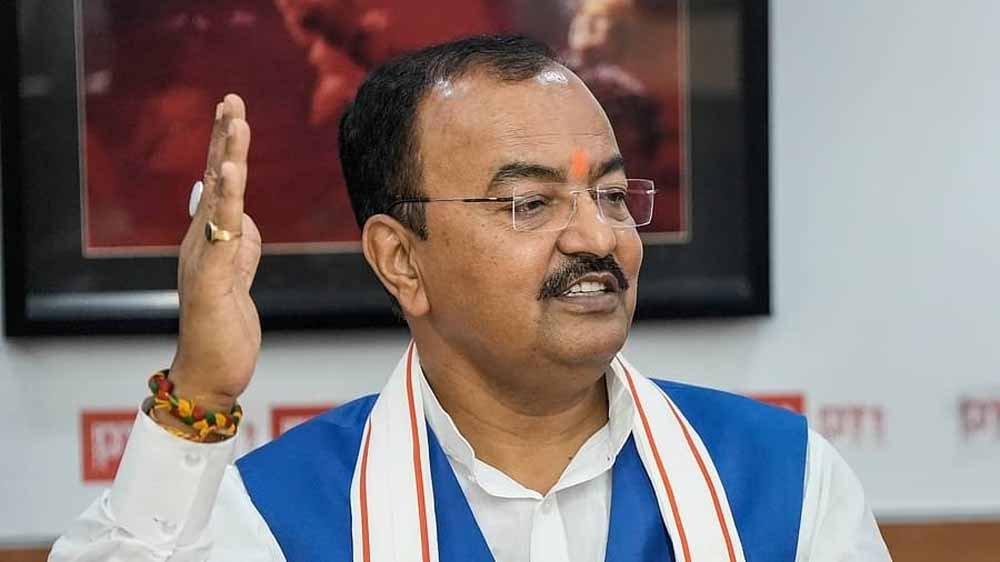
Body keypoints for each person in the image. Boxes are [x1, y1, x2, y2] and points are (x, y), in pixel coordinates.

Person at [50, 35, 891, 561]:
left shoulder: (781, 482)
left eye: (608, 195)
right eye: (529, 203)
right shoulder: (282, 514)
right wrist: (199, 392)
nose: (597, 238)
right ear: (400, 260)